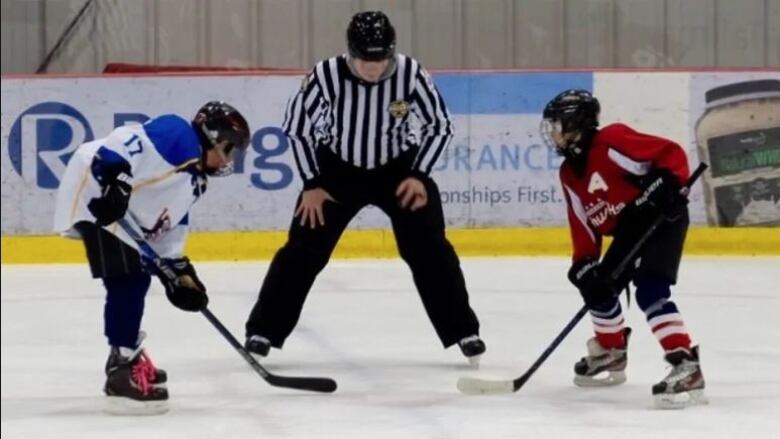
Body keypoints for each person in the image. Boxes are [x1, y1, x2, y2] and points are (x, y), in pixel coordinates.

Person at [244, 11, 485, 365]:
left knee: (430, 250)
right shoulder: (325, 75)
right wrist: (312, 183)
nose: (373, 68)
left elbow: (440, 126)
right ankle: (263, 331)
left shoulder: (410, 73)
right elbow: (297, 128)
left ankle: (464, 331)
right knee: (302, 251)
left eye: (381, 59)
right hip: (337, 172)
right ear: (350, 52)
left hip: (399, 171)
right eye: (364, 59)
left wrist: (419, 174)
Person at [53, 102, 250, 414]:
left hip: (117, 204)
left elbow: (170, 222)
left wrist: (177, 268)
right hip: (96, 185)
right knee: (128, 280)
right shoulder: (179, 133)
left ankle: (122, 355)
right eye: (229, 149)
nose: (230, 158)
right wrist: (115, 180)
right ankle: (121, 367)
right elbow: (122, 141)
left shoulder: (197, 179)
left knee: (135, 278)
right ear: (215, 138)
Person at [540, 89, 707, 409]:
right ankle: (611, 351)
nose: (554, 132)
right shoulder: (568, 174)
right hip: (629, 229)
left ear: (577, 122)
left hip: (661, 218)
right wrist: (584, 262)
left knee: (650, 290)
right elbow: (582, 222)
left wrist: (670, 183)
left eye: (558, 124)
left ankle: (686, 365)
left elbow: (670, 154)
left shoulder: (611, 141)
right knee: (598, 285)